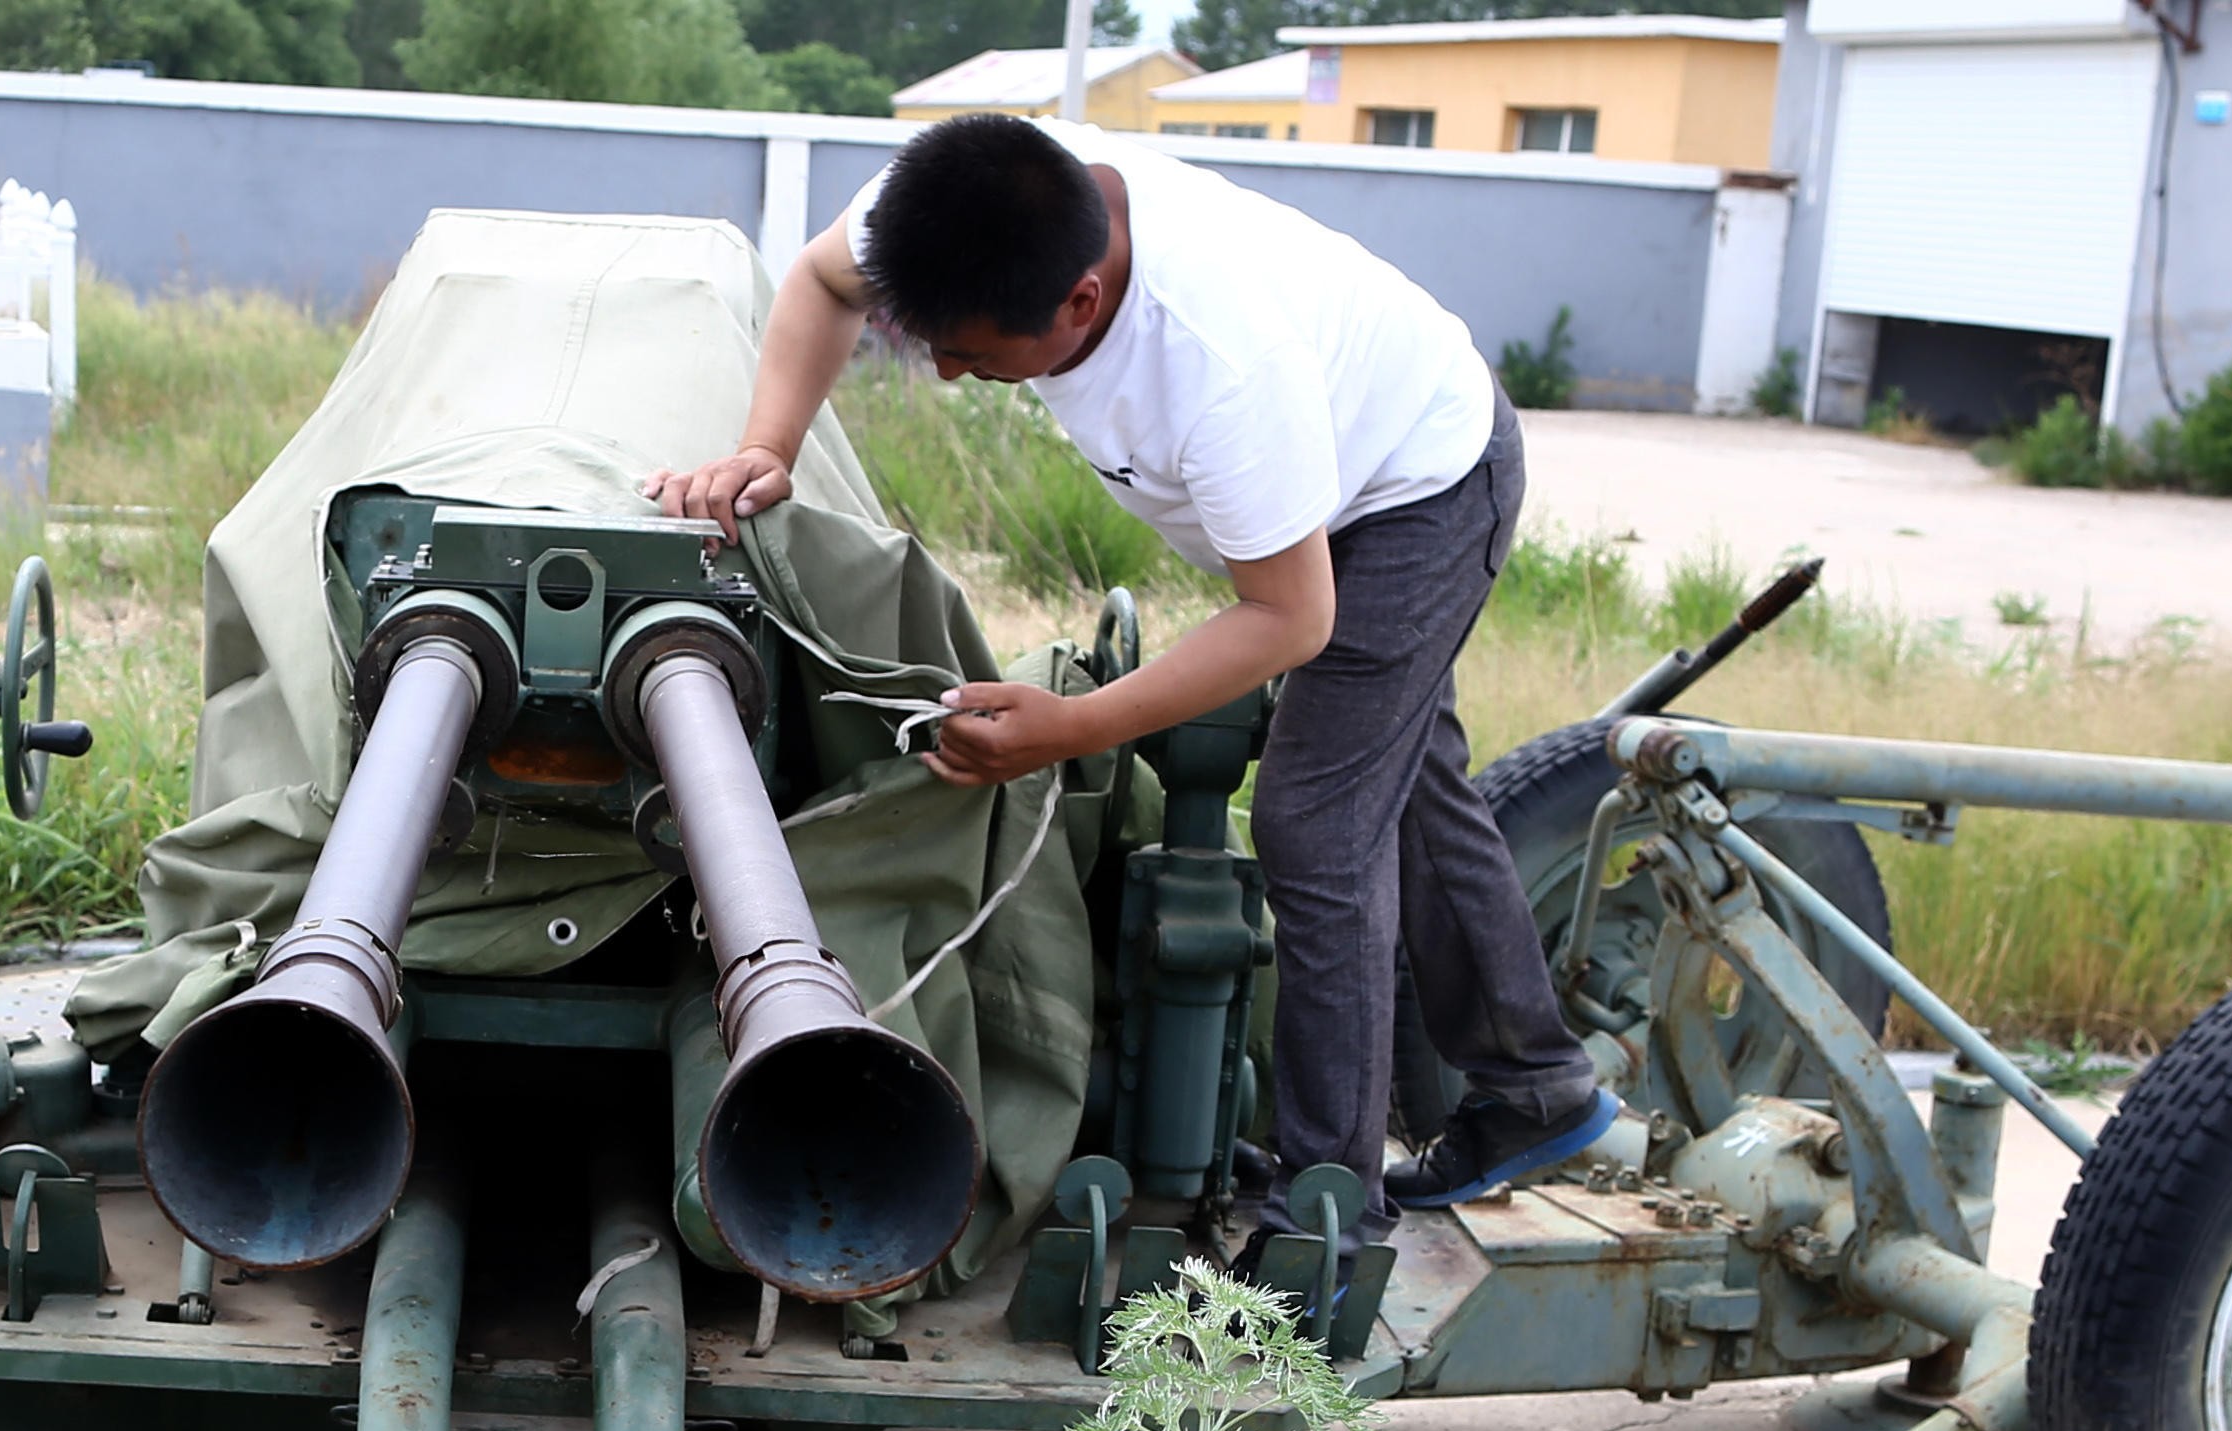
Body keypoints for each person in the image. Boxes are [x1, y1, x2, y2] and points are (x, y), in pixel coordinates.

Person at [643, 110, 1614, 1256]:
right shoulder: (966, 200)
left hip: (1411, 494)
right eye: (929, 343)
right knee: (1407, 783)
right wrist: (771, 445)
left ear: (1082, 305)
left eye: (972, 351)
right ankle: (1536, 1085)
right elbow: (816, 280)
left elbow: (1290, 618)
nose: (950, 372)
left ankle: (1326, 1215)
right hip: (1315, 494)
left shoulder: (1213, 358)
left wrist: (1072, 729)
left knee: (1317, 825)